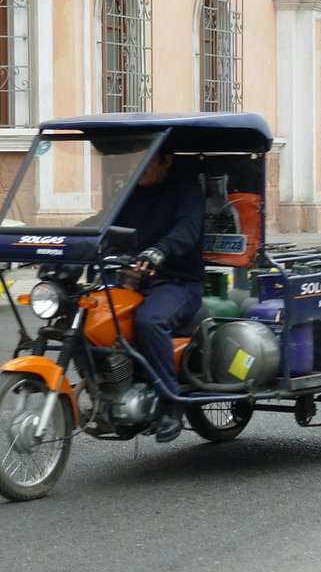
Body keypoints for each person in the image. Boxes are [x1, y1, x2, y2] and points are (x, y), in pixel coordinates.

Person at [115, 151, 205, 442]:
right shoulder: (129, 193)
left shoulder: (186, 191)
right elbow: (101, 223)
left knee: (150, 321)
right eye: (131, 161)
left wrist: (160, 250)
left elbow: (187, 230)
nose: (135, 167)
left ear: (166, 161)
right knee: (92, 315)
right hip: (134, 282)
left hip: (179, 283)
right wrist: (61, 243)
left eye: (144, 160)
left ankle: (170, 403)